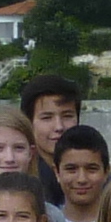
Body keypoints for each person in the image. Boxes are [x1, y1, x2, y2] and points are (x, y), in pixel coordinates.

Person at [49, 125, 111, 222]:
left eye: (91, 169)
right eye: (71, 169)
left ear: (106, 172)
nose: (81, 179)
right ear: (57, 172)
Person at [21, 73, 84, 209]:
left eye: (67, 116)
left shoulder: (95, 179)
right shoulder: (21, 181)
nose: (59, 127)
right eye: (47, 118)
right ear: (29, 123)